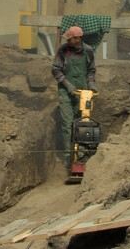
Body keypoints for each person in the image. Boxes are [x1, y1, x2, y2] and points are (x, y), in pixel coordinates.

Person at [51, 26, 98, 172]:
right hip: (66, 92)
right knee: (67, 126)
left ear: (77, 38)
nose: (67, 41)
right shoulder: (63, 50)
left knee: (83, 125)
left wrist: (91, 84)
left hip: (83, 92)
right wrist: (67, 84)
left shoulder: (88, 50)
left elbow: (91, 70)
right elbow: (55, 69)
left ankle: (82, 156)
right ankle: (68, 158)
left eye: (69, 39)